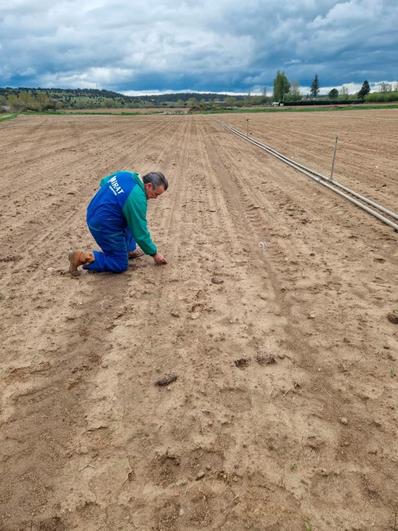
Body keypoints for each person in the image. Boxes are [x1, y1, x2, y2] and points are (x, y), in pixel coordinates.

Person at [69, 170, 168, 275]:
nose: (156, 198)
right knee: (119, 264)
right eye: (156, 194)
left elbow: (103, 182)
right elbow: (140, 232)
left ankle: (128, 250)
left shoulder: (126, 175)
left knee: (128, 215)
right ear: (148, 186)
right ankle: (81, 257)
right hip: (103, 224)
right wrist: (154, 254)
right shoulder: (137, 198)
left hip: (93, 210)